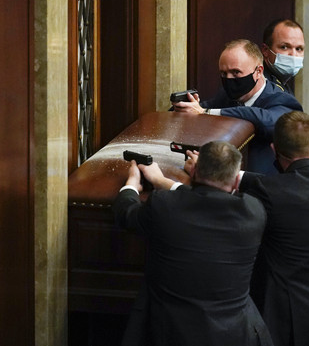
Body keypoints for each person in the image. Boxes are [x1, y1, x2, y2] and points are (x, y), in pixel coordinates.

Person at [186, 111, 309, 346]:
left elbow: (245, 185)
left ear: (273, 148)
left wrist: (204, 169)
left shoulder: (269, 191)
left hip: (292, 322)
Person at [112, 140, 273, 346]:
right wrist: (163, 181)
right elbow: (207, 201)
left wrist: (132, 185)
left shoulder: (164, 206)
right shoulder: (253, 211)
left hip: (171, 331)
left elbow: (127, 215)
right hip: (236, 332)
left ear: (194, 170)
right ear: (234, 183)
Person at [172, 39, 302, 174]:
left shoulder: (283, 100)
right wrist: (185, 106)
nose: (229, 79)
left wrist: (206, 112)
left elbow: (267, 121)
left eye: (236, 72)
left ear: (258, 71)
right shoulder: (227, 96)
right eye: (223, 73)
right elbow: (200, 108)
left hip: (264, 185)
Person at [260, 18, 309, 159]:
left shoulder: (281, 84)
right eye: (284, 47)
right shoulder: (261, 85)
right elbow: (279, 131)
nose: (293, 55)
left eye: (299, 49)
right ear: (265, 50)